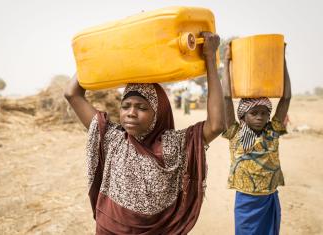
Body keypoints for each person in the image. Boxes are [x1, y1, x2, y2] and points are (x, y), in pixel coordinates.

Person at [64, 32, 225, 234]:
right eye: (126, 106)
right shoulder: (113, 138)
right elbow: (71, 93)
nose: (131, 113)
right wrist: (95, 53)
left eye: (141, 107)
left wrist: (210, 58)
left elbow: (216, 125)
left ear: (158, 113)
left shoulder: (172, 145)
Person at [221, 42, 291, 235]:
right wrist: (226, 61)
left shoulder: (273, 130)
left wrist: (282, 59)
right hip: (247, 201)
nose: (260, 117)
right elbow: (226, 97)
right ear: (242, 116)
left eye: (264, 113)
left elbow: (286, 98)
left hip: (269, 197)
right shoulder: (235, 132)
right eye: (254, 113)